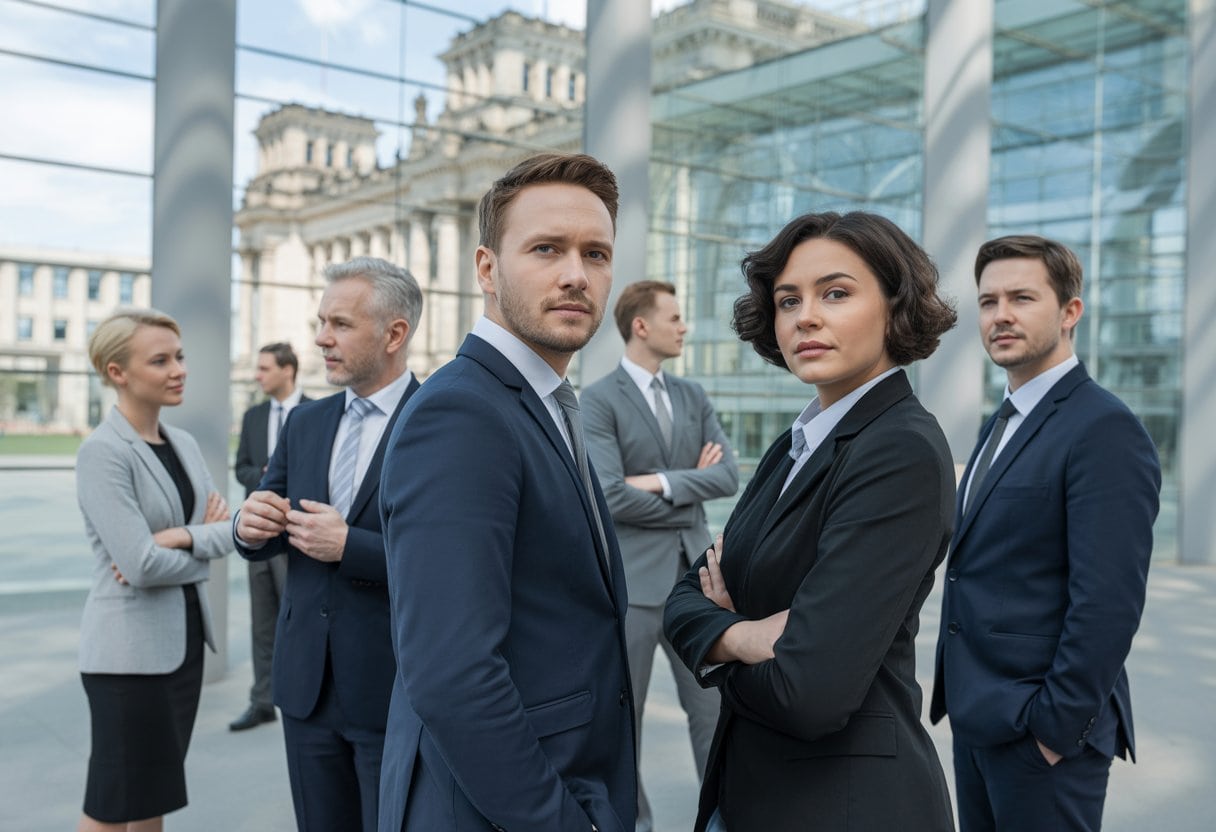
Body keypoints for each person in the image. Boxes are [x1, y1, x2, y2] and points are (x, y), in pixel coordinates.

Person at [664, 211, 958, 832]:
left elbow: (810, 693)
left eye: (836, 293)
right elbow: (684, 598)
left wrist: (716, 640)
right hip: (753, 792)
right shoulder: (799, 442)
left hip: (842, 803)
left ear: (894, 305)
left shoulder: (898, 449)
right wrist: (746, 635)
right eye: (788, 300)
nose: (806, 317)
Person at [378, 153, 636, 831]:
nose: (576, 274)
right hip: (495, 807)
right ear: (487, 269)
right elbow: (453, 674)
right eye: (546, 249)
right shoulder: (461, 412)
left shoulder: (542, 400)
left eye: (596, 253)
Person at [930, 235, 1161, 832]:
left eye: (1022, 297)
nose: (1000, 314)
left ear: (1069, 311)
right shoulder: (999, 422)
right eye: (988, 301)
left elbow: (1108, 603)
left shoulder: (1103, 429)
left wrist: (1053, 730)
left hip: (1042, 736)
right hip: (981, 717)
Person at [234, 257, 423, 831]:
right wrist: (249, 527)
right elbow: (268, 523)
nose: (320, 338)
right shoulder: (306, 423)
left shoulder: (441, 422)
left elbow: (455, 566)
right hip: (306, 687)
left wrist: (351, 546)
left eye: (339, 324)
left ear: (394, 334)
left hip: (395, 687)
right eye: (322, 322)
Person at [582, 280, 738, 832]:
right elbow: (608, 494)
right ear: (641, 326)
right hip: (636, 586)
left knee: (713, 712)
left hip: (699, 581)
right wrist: (686, 487)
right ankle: (634, 824)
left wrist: (657, 482)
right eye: (674, 316)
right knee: (627, 717)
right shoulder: (597, 399)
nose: (684, 326)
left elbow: (728, 475)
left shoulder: (693, 395)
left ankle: (721, 818)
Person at [75, 308, 233, 832]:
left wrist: (183, 536)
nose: (178, 369)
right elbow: (140, 565)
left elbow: (224, 529)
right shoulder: (103, 453)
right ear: (118, 372)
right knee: (112, 803)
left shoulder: (183, 444)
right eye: (160, 360)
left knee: (151, 798)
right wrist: (200, 540)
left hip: (181, 649)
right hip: (128, 660)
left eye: (180, 357)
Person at [230, 342, 308, 732]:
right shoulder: (253, 416)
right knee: (262, 622)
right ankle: (261, 700)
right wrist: (264, 477)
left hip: (301, 537)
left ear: (287, 370)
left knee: (300, 621)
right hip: (259, 537)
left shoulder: (317, 412)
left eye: (264, 369)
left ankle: (299, 698)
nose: (257, 376)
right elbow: (241, 467)